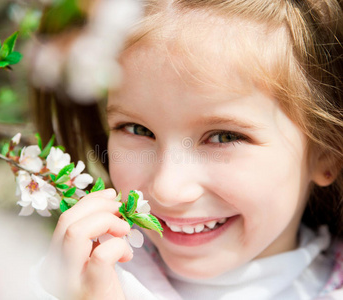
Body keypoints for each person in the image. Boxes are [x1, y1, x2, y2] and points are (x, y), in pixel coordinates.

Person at [31, 0, 343, 299]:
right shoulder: (58, 282)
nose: (168, 190)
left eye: (223, 137)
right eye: (137, 129)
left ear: (326, 152)